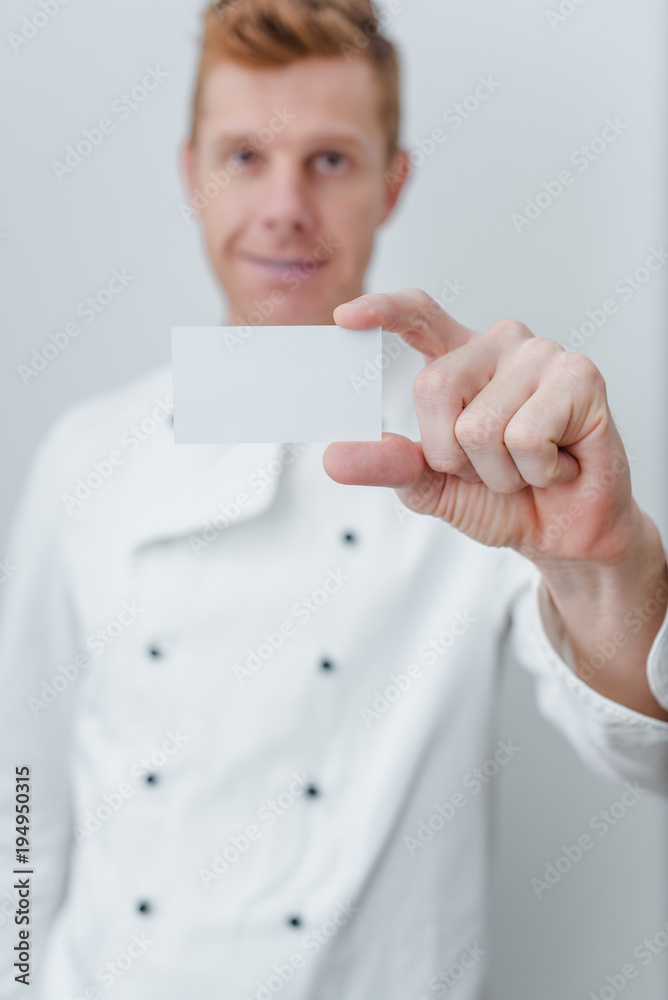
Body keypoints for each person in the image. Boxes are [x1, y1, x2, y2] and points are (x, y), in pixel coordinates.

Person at [1, 1, 667, 998]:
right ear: (189, 173)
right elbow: (21, 800)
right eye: (242, 157)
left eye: (329, 160)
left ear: (390, 183)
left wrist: (607, 559)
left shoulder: (474, 450)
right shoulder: (82, 458)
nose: (283, 208)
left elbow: (645, 751)